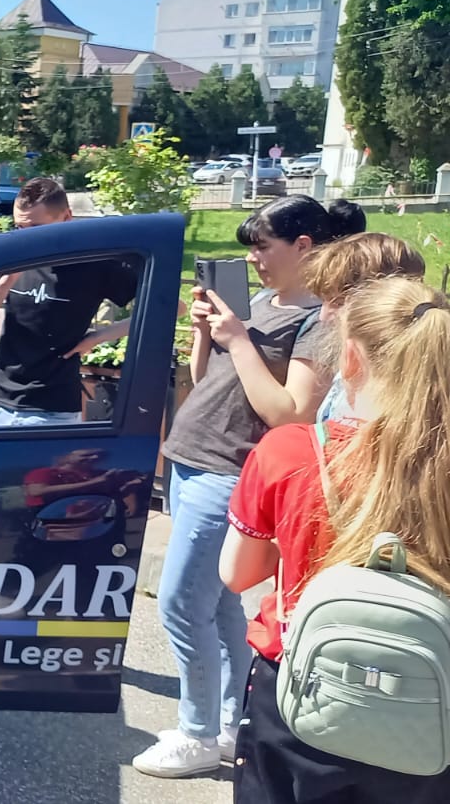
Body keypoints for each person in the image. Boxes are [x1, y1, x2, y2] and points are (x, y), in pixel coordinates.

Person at [133, 194, 365, 778]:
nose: (253, 259)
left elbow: (291, 414)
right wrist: (206, 334)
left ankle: (196, 734)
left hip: (230, 471)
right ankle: (227, 723)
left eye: (262, 247)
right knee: (219, 607)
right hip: (191, 460)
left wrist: (238, 339)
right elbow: (204, 381)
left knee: (183, 604)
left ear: (303, 246)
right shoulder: (259, 301)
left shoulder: (317, 321)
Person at [220, 277, 450, 803]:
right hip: (431, 701)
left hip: (303, 689)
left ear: (349, 358)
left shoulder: (290, 451)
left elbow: (236, 574)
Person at [0, 178, 138, 426]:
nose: (26, 237)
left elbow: (171, 308)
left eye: (36, 228)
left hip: (53, 409)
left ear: (66, 218)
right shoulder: (7, 254)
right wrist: (6, 280)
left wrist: (99, 336)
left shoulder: (95, 263)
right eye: (19, 227)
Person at [298, 232, 425, 423]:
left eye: (338, 303)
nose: (323, 317)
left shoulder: (400, 394)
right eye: (324, 301)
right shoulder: (355, 367)